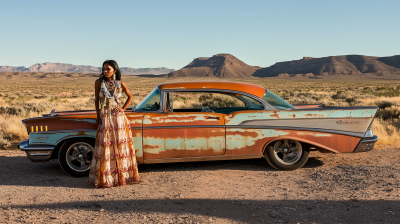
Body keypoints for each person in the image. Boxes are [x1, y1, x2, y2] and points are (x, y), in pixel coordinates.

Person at [89, 60, 140, 188]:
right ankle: (107, 178)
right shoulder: (98, 83)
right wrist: (98, 115)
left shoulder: (119, 83)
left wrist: (123, 109)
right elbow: (97, 100)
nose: (105, 71)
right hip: (105, 116)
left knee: (119, 146)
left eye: (108, 69)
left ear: (115, 70)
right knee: (106, 146)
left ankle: (121, 176)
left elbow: (130, 97)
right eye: (104, 69)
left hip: (119, 118)